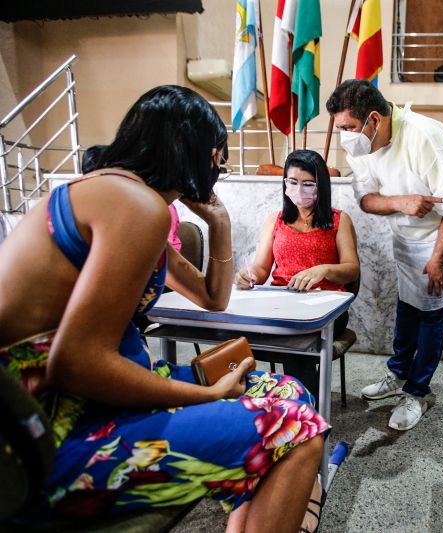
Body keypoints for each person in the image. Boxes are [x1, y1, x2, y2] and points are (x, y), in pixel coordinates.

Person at [0, 85, 327, 533]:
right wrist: (207, 395)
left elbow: (212, 299)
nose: (220, 168)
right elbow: (76, 363)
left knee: (291, 391)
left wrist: (220, 223)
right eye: (218, 157)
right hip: (48, 434)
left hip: (85, 405)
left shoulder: (126, 199)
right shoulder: (133, 205)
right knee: (297, 428)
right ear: (193, 152)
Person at [326, 79, 443, 431]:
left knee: (433, 315)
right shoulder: (362, 146)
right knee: (407, 307)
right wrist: (400, 202)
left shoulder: (427, 138)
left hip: (441, 238)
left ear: (374, 119)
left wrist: (437, 260)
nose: (344, 136)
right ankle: (397, 374)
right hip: (406, 237)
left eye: (348, 127)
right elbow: (366, 199)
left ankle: (417, 391)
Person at [234, 149, 360, 398]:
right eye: (292, 182)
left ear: (320, 186)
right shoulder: (276, 220)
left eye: (307, 184)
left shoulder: (338, 221)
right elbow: (260, 268)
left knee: (296, 342)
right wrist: (248, 276)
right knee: (236, 334)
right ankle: (257, 401)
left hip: (327, 308)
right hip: (282, 304)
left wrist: (323, 269)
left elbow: (351, 269)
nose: (299, 189)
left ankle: (305, 412)